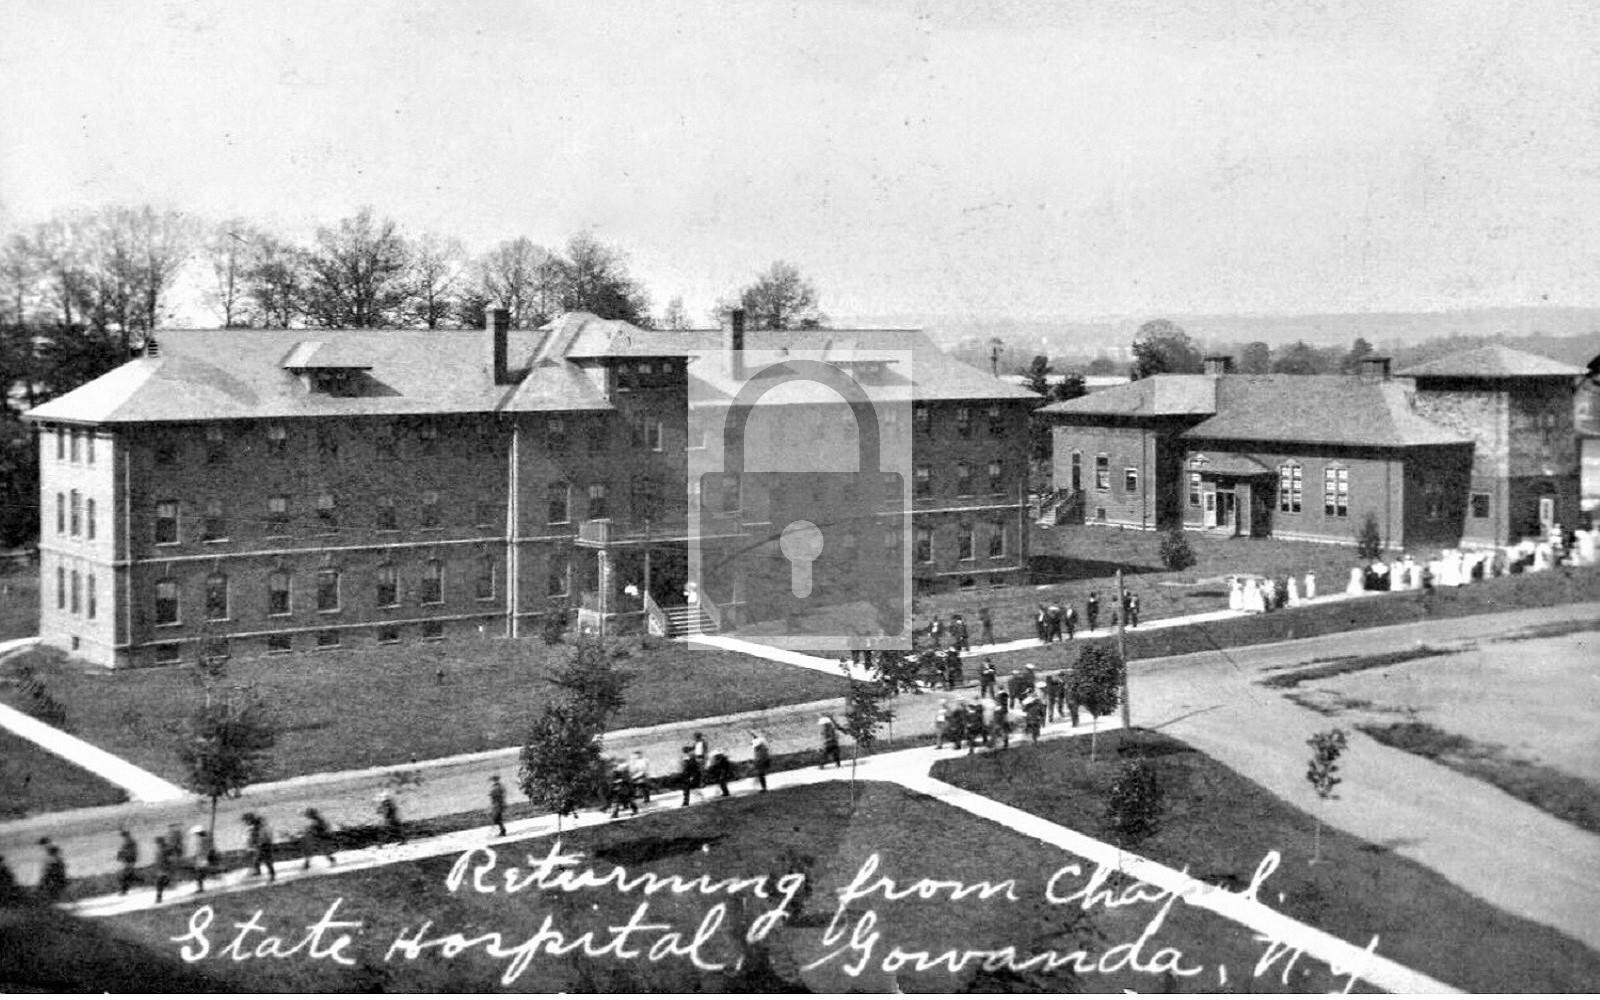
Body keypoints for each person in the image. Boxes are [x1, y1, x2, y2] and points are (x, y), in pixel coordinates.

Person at [244, 813, 276, 882]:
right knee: (260, 860)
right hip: (263, 845)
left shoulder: (262, 828)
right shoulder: (262, 828)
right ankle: (263, 873)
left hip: (264, 845)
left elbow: (264, 837)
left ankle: (271, 875)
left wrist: (257, 843)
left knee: (265, 861)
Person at [37, 838, 67, 904]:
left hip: (54, 866)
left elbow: (55, 857)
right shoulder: (53, 846)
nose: (42, 847)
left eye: (42, 845)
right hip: (56, 866)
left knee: (49, 885)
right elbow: (59, 856)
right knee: (54, 885)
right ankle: (55, 900)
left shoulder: (50, 846)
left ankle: (53, 901)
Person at [192, 827, 217, 892]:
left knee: (199, 874)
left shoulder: (202, 840)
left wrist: (196, 856)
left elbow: (200, 850)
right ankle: (201, 887)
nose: (197, 835)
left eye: (197, 833)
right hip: (202, 858)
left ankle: (200, 888)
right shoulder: (206, 839)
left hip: (202, 859)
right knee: (200, 874)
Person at [116, 829, 139, 895]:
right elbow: (134, 852)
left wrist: (119, 857)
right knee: (126, 875)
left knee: (125, 875)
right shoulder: (130, 841)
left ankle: (124, 890)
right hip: (129, 860)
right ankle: (124, 889)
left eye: (123, 835)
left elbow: (122, 851)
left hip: (129, 860)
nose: (123, 837)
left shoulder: (128, 842)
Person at [152, 834, 173, 904]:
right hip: (161, 869)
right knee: (159, 883)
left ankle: (159, 898)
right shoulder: (161, 849)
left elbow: (169, 859)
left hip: (164, 869)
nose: (156, 844)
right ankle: (159, 897)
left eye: (157, 842)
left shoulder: (164, 849)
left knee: (159, 883)